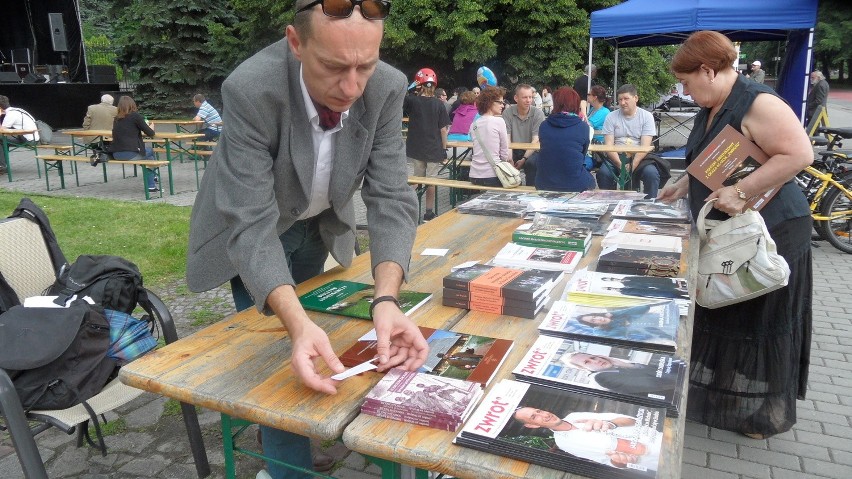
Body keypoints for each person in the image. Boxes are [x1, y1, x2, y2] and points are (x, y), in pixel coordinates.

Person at [185, 2, 430, 478]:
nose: (352, 87)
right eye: (334, 68)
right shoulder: (251, 88)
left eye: (365, 66)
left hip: (318, 226)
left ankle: (296, 438)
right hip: (251, 230)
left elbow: (391, 198)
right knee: (281, 348)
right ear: (296, 43)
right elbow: (250, 222)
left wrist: (386, 299)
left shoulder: (387, 86)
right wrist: (295, 325)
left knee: (320, 335)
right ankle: (285, 468)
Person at [658, 30, 813, 439]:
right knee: (724, 311)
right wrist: (683, 184)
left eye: (688, 83)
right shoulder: (713, 104)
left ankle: (764, 416)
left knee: (760, 320)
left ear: (708, 70)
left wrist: (744, 190)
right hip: (733, 231)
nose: (686, 92)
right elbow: (713, 160)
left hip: (773, 229)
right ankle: (722, 399)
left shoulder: (758, 101)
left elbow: (799, 154)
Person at [513, 406, 660, 470]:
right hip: (655, 461)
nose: (544, 415)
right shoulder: (563, 443)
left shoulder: (575, 416)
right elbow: (606, 461)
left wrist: (611, 423)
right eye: (534, 416)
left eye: (539, 410)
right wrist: (620, 461)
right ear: (532, 426)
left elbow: (632, 420)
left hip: (658, 438)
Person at [598, 84, 667, 198]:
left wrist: (633, 165)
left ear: (636, 98)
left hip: (640, 157)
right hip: (617, 156)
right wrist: (620, 165)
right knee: (604, 174)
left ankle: (649, 205)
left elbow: (645, 146)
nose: (622, 102)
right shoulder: (611, 117)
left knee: (652, 174)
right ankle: (609, 204)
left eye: (626, 99)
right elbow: (609, 145)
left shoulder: (646, 116)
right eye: (620, 99)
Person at [404, 69, 450, 222]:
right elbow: (443, 129)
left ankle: (411, 210)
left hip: (416, 148)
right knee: (431, 182)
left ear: (419, 84)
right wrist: (444, 149)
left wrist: (411, 89)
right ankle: (428, 212)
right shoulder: (439, 104)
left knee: (417, 180)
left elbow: (402, 102)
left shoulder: (412, 101)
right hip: (434, 148)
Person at [534, 87, 594, 192]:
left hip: (544, 183)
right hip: (575, 184)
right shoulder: (583, 127)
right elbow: (583, 153)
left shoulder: (544, 125)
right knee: (590, 179)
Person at [565, 352, 683, 397]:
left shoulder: (613, 367)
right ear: (583, 369)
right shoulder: (601, 377)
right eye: (587, 362)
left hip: (674, 386)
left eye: (593, 357)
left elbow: (654, 372)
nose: (596, 360)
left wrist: (628, 365)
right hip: (674, 393)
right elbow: (651, 383)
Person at [110, 96, 158, 192]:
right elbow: (151, 133)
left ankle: (154, 179)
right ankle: (152, 182)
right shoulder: (135, 116)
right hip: (130, 153)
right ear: (133, 105)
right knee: (150, 154)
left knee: (148, 157)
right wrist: (151, 126)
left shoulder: (116, 118)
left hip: (116, 153)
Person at [502, 84, 546, 187]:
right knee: (504, 161)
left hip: (532, 150)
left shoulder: (538, 113)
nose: (528, 100)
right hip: (512, 148)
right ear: (516, 98)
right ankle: (511, 189)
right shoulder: (507, 113)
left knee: (531, 163)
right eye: (525, 97)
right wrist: (509, 158)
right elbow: (506, 138)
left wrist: (524, 159)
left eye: (530, 97)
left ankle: (531, 191)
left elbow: (535, 140)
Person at [468, 86, 510, 187]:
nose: (502, 106)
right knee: (517, 181)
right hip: (493, 175)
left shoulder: (474, 124)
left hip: (474, 176)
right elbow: (504, 152)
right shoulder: (499, 121)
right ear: (490, 102)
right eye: (500, 102)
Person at [0, 95, 39, 174]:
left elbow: (2, 130)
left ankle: (2, 166)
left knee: (1, 140)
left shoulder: (10, 115)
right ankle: (3, 165)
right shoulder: (18, 110)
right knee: (3, 141)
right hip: (34, 137)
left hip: (28, 140)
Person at [586, 85, 610, 170]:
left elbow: (586, 125)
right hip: (591, 145)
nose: (587, 96)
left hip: (597, 150)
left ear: (595, 97)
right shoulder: (593, 109)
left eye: (589, 94)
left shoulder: (604, 112)